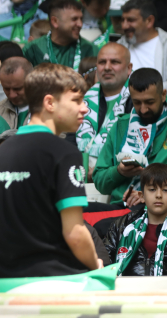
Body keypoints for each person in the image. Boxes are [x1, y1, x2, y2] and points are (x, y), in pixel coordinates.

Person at [0, 63, 101, 277]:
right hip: (52, 280)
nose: (85, 108)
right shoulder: (65, 153)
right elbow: (75, 233)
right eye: (76, 100)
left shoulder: (3, 150)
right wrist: (97, 264)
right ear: (50, 103)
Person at [93, 68, 167, 206]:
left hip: (162, 208)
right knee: (84, 211)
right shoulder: (120, 126)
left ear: (163, 95)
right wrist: (119, 172)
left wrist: (148, 195)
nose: (143, 109)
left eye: (149, 102)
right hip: (121, 207)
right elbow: (100, 182)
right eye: (137, 102)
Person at [104, 163, 167, 276]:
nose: (158, 195)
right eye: (152, 189)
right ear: (141, 196)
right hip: (124, 286)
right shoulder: (122, 225)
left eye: (165, 190)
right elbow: (104, 260)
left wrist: (158, 284)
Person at [76, 43, 133, 176]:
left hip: (117, 178)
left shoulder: (138, 101)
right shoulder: (80, 100)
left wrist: (101, 172)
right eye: (102, 62)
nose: (107, 67)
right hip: (79, 175)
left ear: (129, 68)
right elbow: (68, 140)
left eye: (114, 62)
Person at [118, 0, 167, 83]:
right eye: (122, 20)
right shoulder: (119, 45)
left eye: (131, 20)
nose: (124, 26)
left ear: (149, 21)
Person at [23, 0, 99, 69]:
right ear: (55, 21)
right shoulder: (33, 49)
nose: (80, 24)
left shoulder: (89, 49)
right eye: (74, 19)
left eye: (81, 19)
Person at [0, 57, 33, 131]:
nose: (12, 95)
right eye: (6, 89)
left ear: (32, 82)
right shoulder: (1, 110)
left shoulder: (49, 110)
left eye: (17, 89)